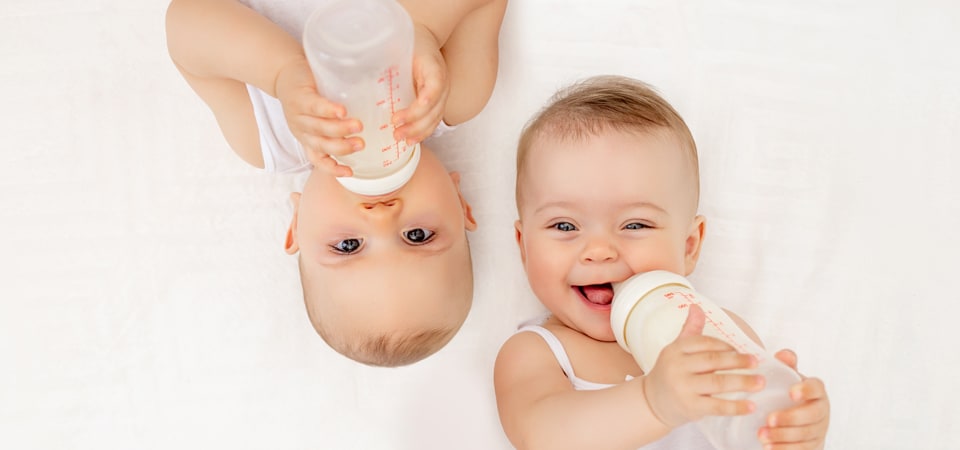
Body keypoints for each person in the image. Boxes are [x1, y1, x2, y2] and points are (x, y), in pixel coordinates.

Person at [494, 75, 830, 449]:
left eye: (635, 224)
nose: (600, 250)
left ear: (689, 246)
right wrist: (653, 403)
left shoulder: (717, 330)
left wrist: (788, 426)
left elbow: (750, 428)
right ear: (524, 247)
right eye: (565, 225)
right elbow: (542, 436)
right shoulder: (536, 352)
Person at [165, 0, 507, 366]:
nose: (380, 216)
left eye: (348, 245)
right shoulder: (456, 93)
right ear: (460, 204)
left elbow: (184, 24)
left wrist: (282, 74)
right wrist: (422, 31)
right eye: (418, 236)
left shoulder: (267, 137)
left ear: (296, 228)